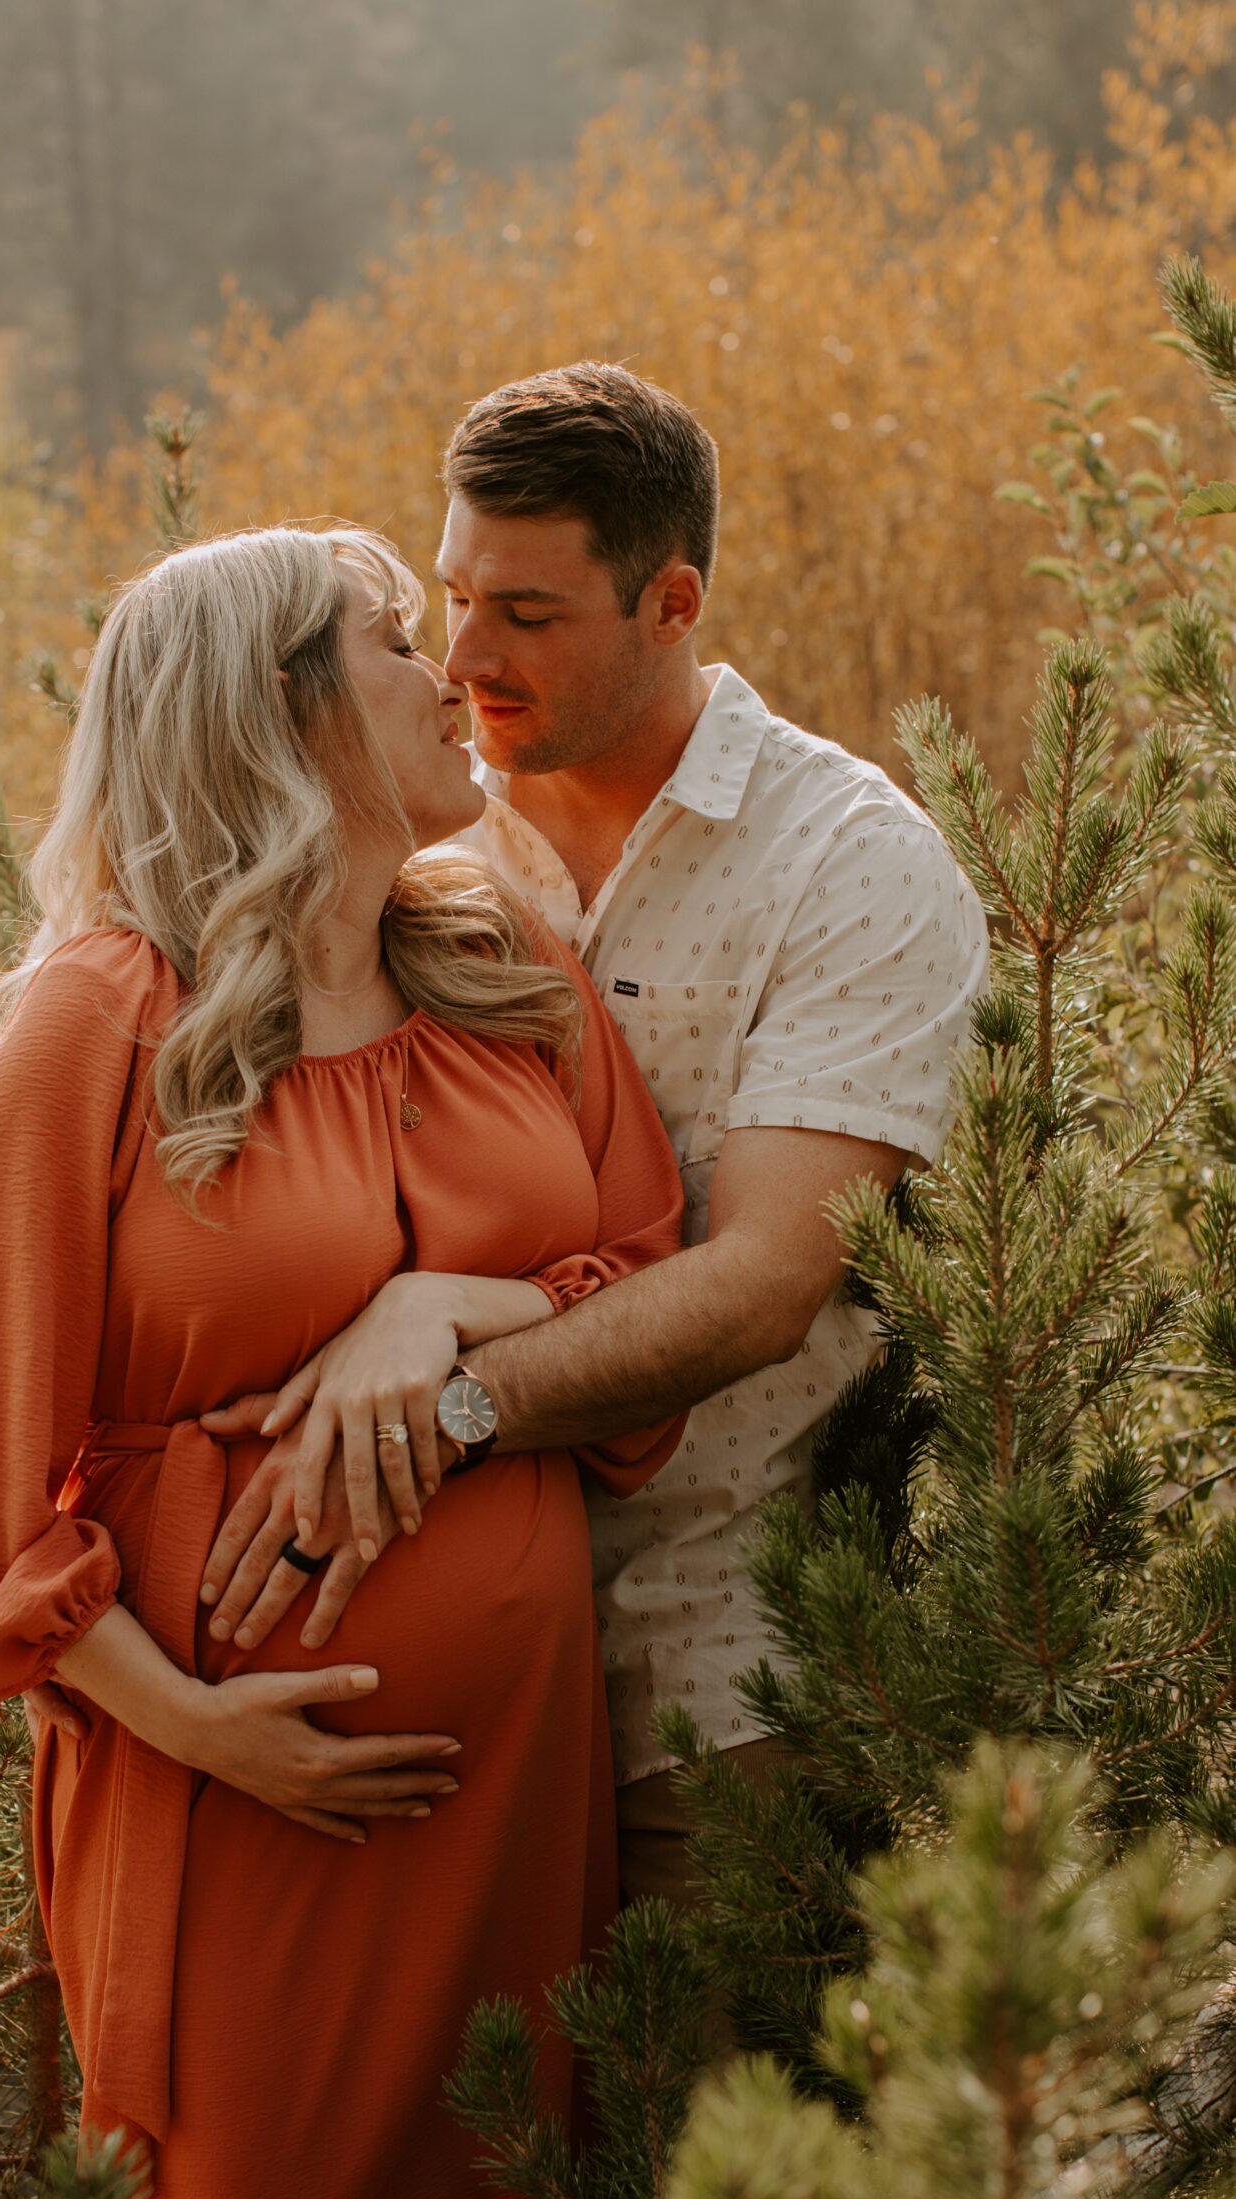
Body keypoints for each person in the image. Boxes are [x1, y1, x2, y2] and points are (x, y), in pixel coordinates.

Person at [0, 524, 687, 2199]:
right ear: (281, 715)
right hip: (244, 1799)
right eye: (392, 647)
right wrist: (199, 1730)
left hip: (511, 1792)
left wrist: (450, 1308)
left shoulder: (498, 957)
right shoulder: (101, 1022)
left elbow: (638, 1272)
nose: (445, 683)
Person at [199, 366, 988, 1908]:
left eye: (531, 616)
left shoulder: (849, 866)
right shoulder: (417, 824)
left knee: (690, 2137)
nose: (468, 660)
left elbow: (765, 1285)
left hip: (702, 1678)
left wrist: (444, 1407)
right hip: (389, 1680)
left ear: (672, 599)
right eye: (450, 601)